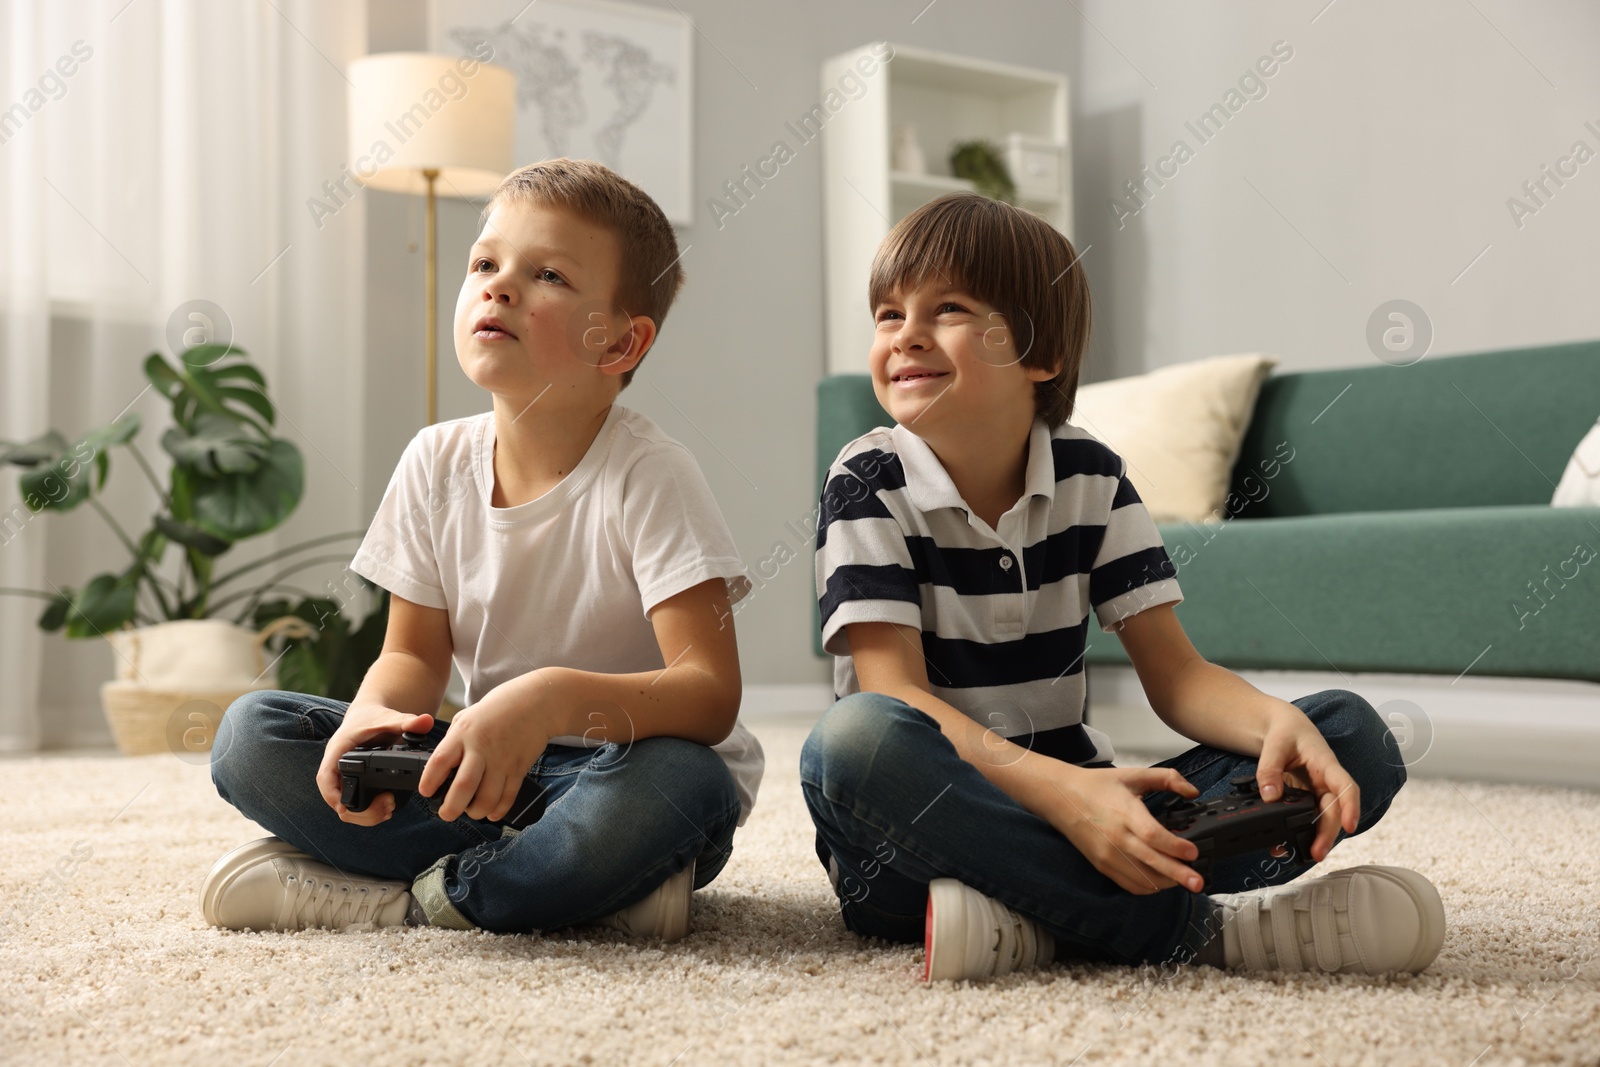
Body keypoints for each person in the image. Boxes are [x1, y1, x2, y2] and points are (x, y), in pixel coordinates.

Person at [802, 192, 1444, 981]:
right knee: (854, 741)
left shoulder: (1092, 476)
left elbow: (1177, 677)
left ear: (1040, 356)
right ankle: (1202, 933)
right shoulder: (865, 478)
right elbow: (896, 696)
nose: (905, 335)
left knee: (1350, 734)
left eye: (949, 308)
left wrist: (1275, 720)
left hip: (1092, 816)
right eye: (888, 314)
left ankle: (1034, 916)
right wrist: (1070, 798)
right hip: (918, 842)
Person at [202, 158, 761, 941]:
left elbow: (708, 694)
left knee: (683, 783)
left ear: (623, 342)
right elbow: (412, 657)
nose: (499, 286)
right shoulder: (434, 461)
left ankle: (411, 894)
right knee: (250, 734)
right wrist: (371, 720)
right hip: (483, 769)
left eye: (549, 276)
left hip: (616, 769)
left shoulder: (651, 474)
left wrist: (551, 700)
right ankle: (567, 884)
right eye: (486, 264)